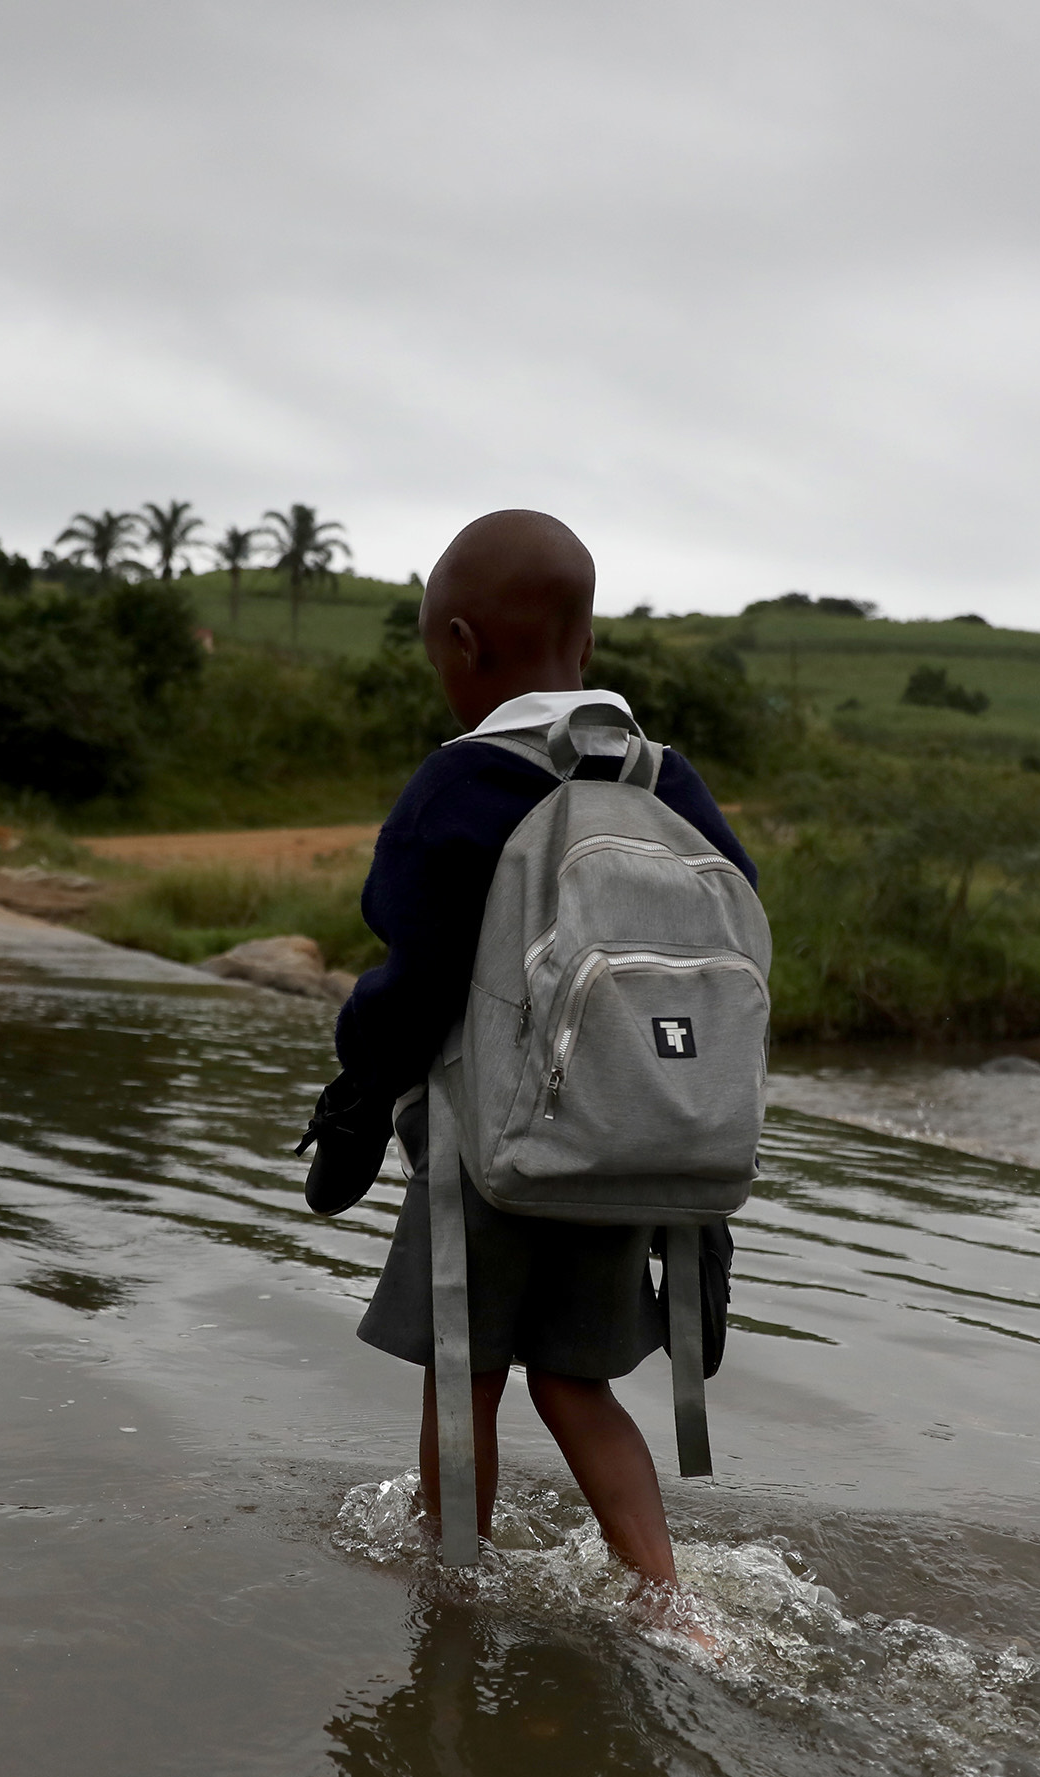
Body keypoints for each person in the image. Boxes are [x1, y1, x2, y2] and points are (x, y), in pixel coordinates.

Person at [298, 509, 755, 1598]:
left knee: (465, 1374)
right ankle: (669, 1599)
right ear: (585, 642)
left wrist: (358, 1077)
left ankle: (451, 1587)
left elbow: (415, 974)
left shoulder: (460, 784)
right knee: (576, 1384)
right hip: (627, 1138)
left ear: (461, 644)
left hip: (487, 1147)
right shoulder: (667, 780)